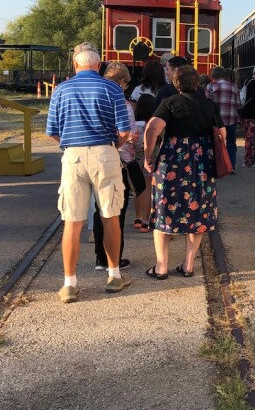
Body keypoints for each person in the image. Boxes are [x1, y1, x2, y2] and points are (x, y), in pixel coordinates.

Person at [46, 42, 132, 303]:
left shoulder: (60, 90)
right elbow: (125, 131)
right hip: (104, 153)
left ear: (76, 65)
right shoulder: (112, 89)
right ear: (99, 65)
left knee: (72, 220)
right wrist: (112, 147)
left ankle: (69, 284)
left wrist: (72, 144)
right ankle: (114, 276)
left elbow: (52, 131)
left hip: (73, 155)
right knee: (110, 215)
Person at [143, 65, 222, 280]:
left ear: (175, 83)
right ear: (196, 82)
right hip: (202, 165)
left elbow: (152, 129)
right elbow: (221, 133)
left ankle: (161, 268)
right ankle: (188, 265)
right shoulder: (209, 105)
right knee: (197, 213)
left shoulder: (169, 103)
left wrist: (148, 155)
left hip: (172, 163)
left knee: (164, 211)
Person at [92, 62, 146, 270]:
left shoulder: (95, 100)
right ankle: (113, 258)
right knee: (117, 212)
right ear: (121, 82)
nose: (126, 88)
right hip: (120, 161)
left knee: (99, 210)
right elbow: (130, 136)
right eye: (126, 84)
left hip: (97, 159)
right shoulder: (123, 105)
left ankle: (99, 258)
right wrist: (137, 136)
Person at [206, 66, 240, 171]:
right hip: (231, 119)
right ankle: (231, 166)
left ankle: (217, 167)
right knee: (231, 143)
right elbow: (238, 104)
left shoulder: (211, 86)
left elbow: (207, 103)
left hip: (216, 121)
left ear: (213, 76)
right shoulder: (233, 86)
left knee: (215, 144)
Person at [131, 93, 155, 232]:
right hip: (148, 158)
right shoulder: (151, 124)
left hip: (134, 158)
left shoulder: (135, 123)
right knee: (147, 189)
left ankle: (138, 217)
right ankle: (146, 220)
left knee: (137, 189)